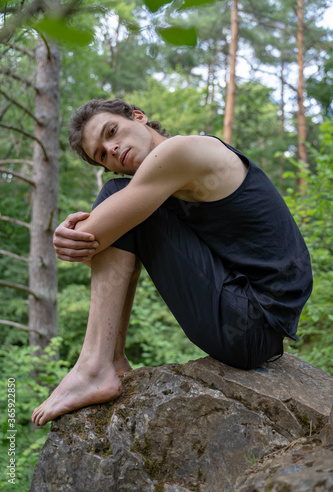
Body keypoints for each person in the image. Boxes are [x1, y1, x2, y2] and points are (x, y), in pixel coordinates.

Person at [31, 98, 313, 426]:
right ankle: (112, 359)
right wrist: (80, 233)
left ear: (139, 116)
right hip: (252, 322)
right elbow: (98, 239)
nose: (113, 149)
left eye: (112, 131)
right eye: (103, 155)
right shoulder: (163, 188)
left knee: (115, 198)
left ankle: (95, 366)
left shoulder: (179, 152)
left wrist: (66, 233)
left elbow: (90, 240)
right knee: (127, 208)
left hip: (250, 323)